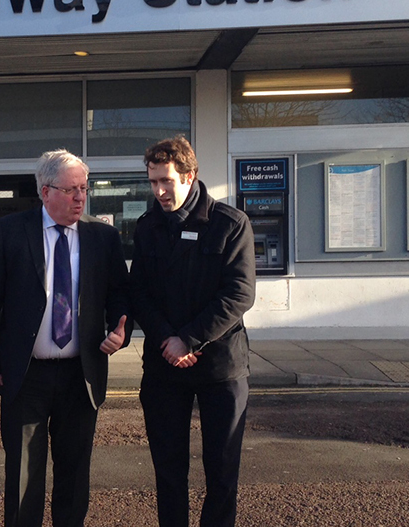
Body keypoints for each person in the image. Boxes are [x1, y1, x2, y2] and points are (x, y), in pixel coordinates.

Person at [0, 149, 132, 527]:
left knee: (75, 476)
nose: (80, 198)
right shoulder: (11, 231)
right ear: (45, 192)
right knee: (24, 474)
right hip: (26, 375)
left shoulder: (103, 236)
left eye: (84, 189)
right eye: (70, 190)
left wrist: (119, 333)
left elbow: (121, 296)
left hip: (81, 373)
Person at [131, 135, 256, 527]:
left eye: (166, 180)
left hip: (221, 367)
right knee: (168, 472)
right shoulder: (147, 227)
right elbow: (139, 292)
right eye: (153, 182)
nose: (159, 191)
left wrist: (188, 338)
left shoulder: (230, 224)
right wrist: (168, 339)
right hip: (165, 367)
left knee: (221, 471)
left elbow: (239, 294)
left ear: (190, 175)